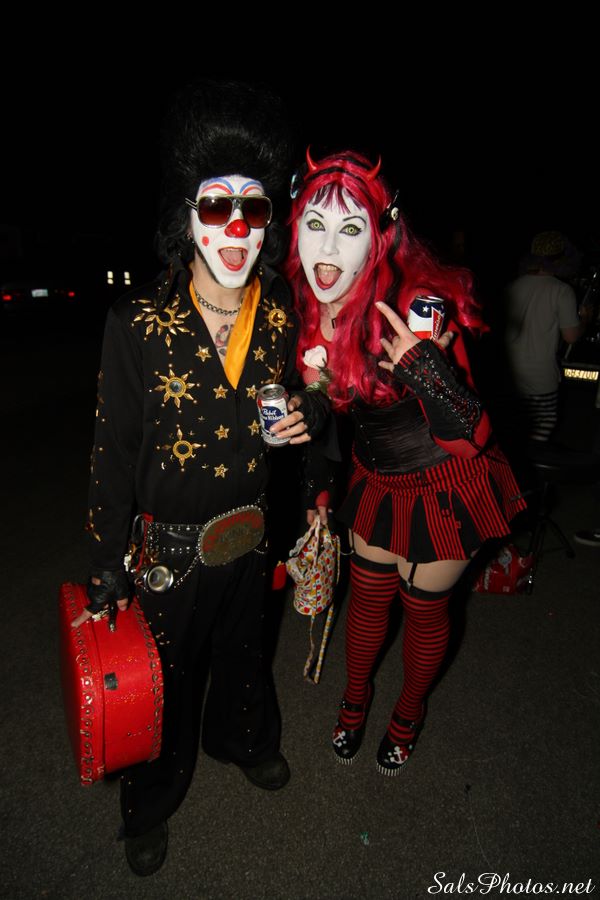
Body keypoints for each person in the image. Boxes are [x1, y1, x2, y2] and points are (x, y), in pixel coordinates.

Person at [72, 81, 329, 876]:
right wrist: (105, 565)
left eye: (254, 208)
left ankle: (243, 741)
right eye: (218, 206)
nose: (237, 227)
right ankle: (149, 803)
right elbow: (112, 452)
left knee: (246, 654)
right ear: (186, 215)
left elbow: (311, 393)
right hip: (171, 555)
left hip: (253, 534)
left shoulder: (279, 307)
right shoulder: (137, 323)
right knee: (165, 680)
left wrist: (311, 417)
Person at [285, 150, 526, 776]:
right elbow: (327, 413)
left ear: (380, 235)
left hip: (447, 479)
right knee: (367, 600)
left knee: (424, 609)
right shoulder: (310, 303)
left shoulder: (418, 303)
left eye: (349, 228)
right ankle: (354, 701)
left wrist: (426, 370)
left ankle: (408, 714)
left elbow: (474, 436)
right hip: (375, 478)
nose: (327, 248)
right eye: (314, 224)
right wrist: (317, 484)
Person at [504, 231, 588, 442]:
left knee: (517, 430)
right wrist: (586, 319)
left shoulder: (512, 286)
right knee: (543, 426)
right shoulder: (562, 290)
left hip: (510, 373)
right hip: (540, 376)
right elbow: (571, 337)